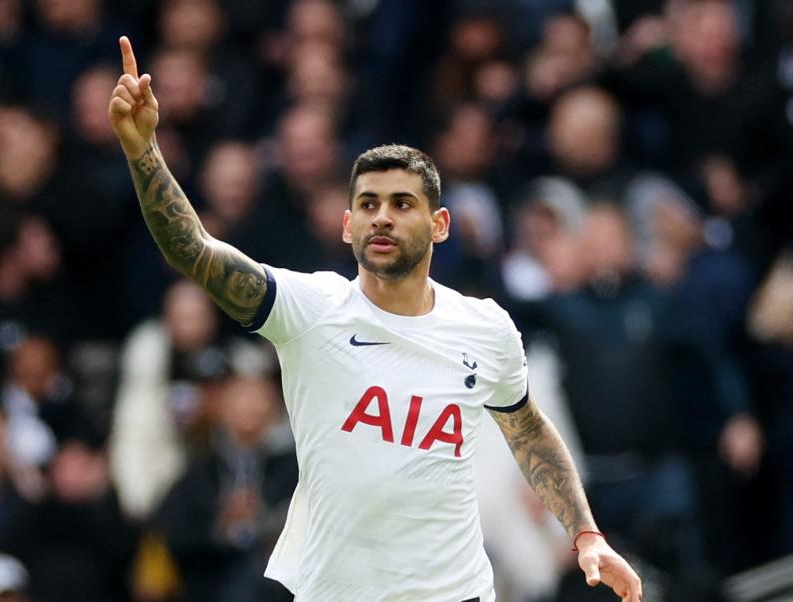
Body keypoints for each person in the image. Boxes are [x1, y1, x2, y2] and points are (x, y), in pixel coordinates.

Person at [109, 36, 642, 602]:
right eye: (368, 204)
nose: (382, 218)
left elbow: (528, 428)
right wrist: (143, 150)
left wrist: (585, 534)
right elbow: (191, 248)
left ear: (440, 225)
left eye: (402, 204)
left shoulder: (485, 328)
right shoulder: (310, 309)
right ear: (346, 225)